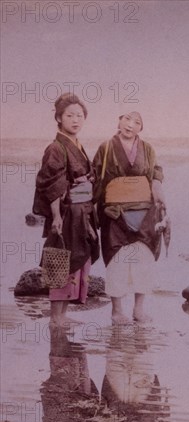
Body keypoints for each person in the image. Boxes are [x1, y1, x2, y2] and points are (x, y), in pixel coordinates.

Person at [92, 112, 166, 324]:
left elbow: (155, 173)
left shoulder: (148, 149)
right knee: (117, 260)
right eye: (126, 119)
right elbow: (96, 178)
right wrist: (92, 209)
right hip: (115, 213)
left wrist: (158, 186)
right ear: (118, 121)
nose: (130, 125)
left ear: (141, 128)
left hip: (144, 212)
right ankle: (116, 311)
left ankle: (138, 310)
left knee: (144, 260)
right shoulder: (106, 148)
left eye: (137, 122)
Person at [33, 93, 99, 328]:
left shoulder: (77, 145)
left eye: (79, 115)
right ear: (59, 118)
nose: (75, 120)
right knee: (60, 259)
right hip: (67, 212)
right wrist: (57, 216)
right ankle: (55, 317)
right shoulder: (56, 147)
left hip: (82, 210)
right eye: (69, 115)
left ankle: (62, 314)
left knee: (76, 259)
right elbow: (53, 183)